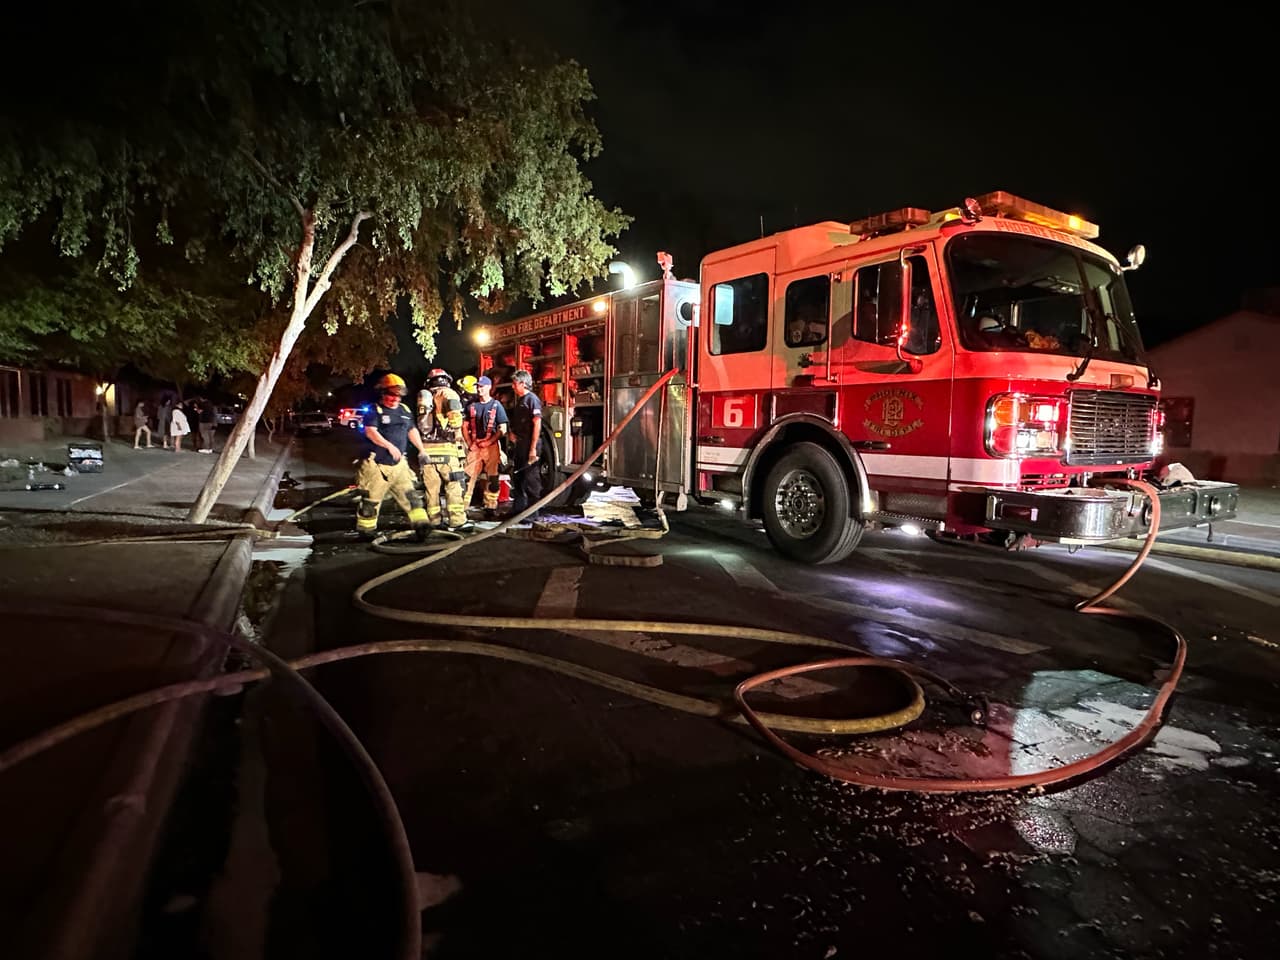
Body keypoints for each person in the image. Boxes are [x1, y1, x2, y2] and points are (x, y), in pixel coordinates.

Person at [356, 373, 431, 540]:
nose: (396, 398)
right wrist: (389, 446)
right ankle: (366, 532)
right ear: (383, 393)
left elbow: (412, 430)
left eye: (399, 395)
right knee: (370, 503)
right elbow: (370, 432)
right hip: (377, 466)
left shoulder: (404, 410)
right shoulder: (374, 411)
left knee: (412, 498)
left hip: (400, 466)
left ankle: (422, 527)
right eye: (392, 394)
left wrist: (421, 450)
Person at [416, 368, 469, 529]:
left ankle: (434, 521)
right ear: (446, 379)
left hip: (426, 451)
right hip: (446, 450)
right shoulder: (449, 393)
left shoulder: (424, 397)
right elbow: (455, 417)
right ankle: (457, 521)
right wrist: (457, 426)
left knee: (431, 490)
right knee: (453, 485)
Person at [462, 375, 508, 520]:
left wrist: (490, 442)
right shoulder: (471, 406)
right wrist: (470, 443)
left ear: (488, 388)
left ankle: (490, 507)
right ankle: (462, 508)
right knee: (467, 477)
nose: (479, 389)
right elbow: (465, 426)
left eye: (482, 386)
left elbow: (503, 428)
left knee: (492, 478)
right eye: (478, 386)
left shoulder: (496, 406)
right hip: (475, 447)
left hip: (491, 447)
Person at [507, 369, 543, 517]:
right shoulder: (521, 401)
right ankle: (518, 511)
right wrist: (512, 434)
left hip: (530, 444)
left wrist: (533, 448)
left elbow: (537, 424)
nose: (512, 387)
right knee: (519, 478)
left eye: (515, 383)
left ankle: (533, 513)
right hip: (521, 444)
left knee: (531, 478)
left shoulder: (532, 399)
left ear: (523, 383)